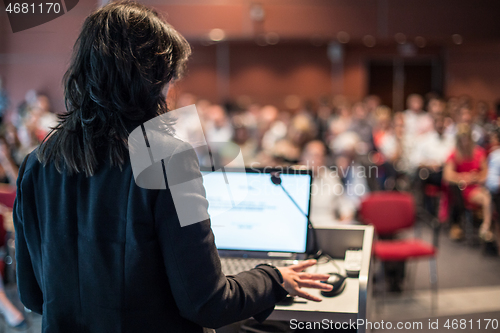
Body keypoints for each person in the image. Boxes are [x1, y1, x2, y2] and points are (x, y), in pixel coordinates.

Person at [13, 3, 332, 332]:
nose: (169, 91)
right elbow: (208, 303)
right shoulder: (168, 161)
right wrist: (274, 277)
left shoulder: (36, 163)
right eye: (167, 79)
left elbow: (33, 296)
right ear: (149, 82)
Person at [443, 123, 491, 241]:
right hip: (463, 189)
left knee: (488, 197)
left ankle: (486, 226)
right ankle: (485, 228)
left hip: (477, 186)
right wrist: (463, 177)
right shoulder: (454, 154)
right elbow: (447, 176)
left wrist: (475, 177)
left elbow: (485, 174)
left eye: (466, 140)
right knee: (486, 198)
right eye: (462, 140)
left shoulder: (479, 153)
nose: (464, 143)